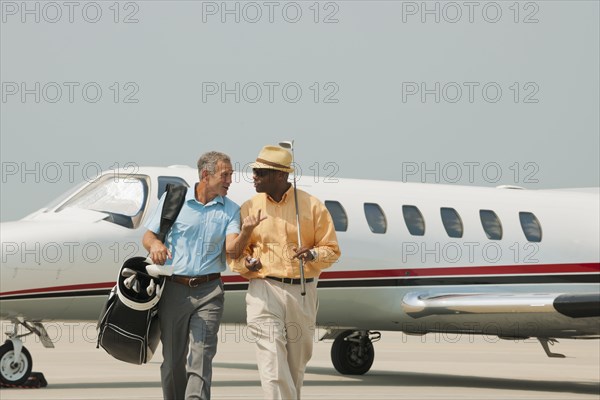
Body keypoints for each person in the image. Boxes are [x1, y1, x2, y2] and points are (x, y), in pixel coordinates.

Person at [143, 151, 263, 400]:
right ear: (206, 175)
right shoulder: (174, 199)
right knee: (173, 361)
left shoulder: (231, 210)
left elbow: (232, 249)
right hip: (174, 290)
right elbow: (149, 236)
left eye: (230, 174)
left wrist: (246, 232)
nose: (230, 180)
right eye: (225, 175)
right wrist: (155, 246)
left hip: (209, 292)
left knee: (202, 355)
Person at [230, 145, 341, 399]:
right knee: (272, 364)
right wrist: (247, 264)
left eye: (260, 171)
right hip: (263, 291)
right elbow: (235, 255)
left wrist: (313, 254)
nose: (254, 176)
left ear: (280, 176)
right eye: (254, 171)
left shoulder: (312, 207)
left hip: (302, 292)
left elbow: (332, 250)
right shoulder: (249, 207)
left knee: (294, 368)